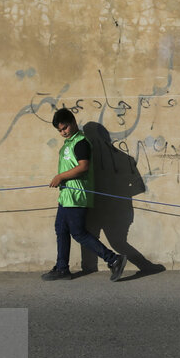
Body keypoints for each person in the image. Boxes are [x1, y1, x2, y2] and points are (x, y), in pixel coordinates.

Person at [43, 108, 127, 281]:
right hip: (66, 197)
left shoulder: (81, 142)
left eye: (64, 128)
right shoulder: (69, 143)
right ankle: (62, 268)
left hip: (77, 196)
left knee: (78, 232)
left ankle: (114, 259)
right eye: (59, 130)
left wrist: (60, 177)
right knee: (61, 229)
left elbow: (83, 167)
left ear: (73, 122)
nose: (62, 132)